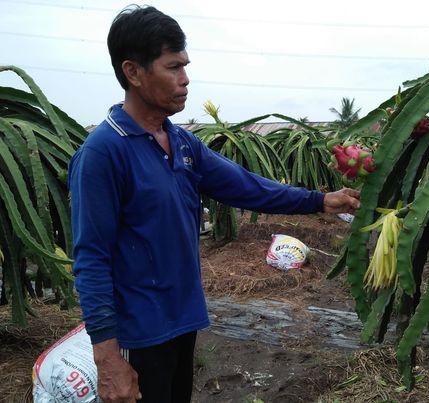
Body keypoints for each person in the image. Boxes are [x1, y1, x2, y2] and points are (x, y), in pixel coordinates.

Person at [68, 5, 360, 403]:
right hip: (138, 334)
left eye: (185, 66)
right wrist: (108, 359)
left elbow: (248, 187)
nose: (185, 80)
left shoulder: (183, 144)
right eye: (173, 67)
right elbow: (91, 259)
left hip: (183, 320)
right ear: (133, 72)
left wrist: (320, 200)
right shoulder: (103, 153)